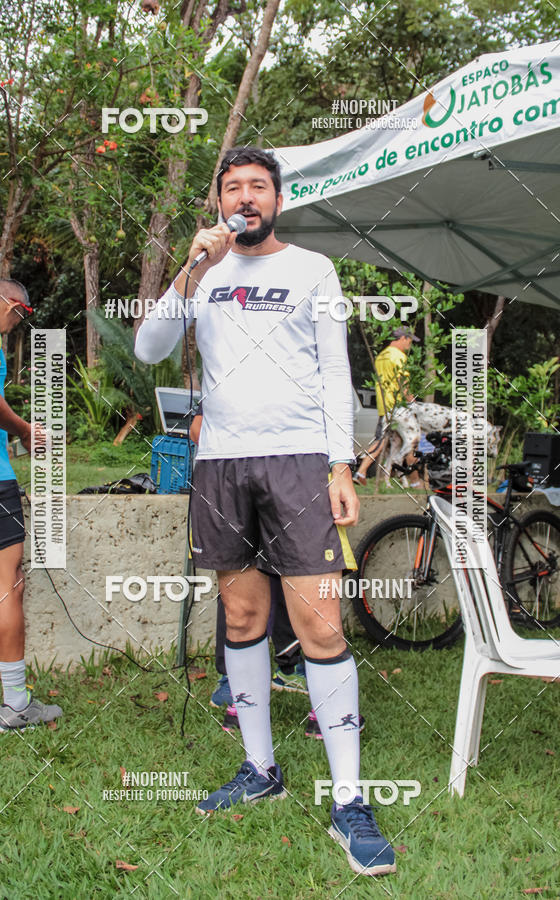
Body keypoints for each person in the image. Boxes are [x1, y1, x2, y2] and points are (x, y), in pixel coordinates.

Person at [136, 147, 395, 876]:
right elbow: (150, 346)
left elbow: (335, 372)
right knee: (243, 620)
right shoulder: (204, 273)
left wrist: (340, 462)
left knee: (318, 622)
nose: (245, 197)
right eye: (232, 188)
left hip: (298, 464)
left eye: (258, 187)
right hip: (220, 463)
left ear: (278, 200)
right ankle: (261, 769)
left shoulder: (311, 269)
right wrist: (192, 267)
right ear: (218, 203)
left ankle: (350, 801)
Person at [0, 280, 63, 731]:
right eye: (19, 319)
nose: (13, 328)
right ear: (14, 305)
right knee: (8, 584)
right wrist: (23, 429)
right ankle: (17, 705)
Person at [190, 408, 323, 737]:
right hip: (233, 480)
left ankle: (295, 670)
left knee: (299, 583)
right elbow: (197, 427)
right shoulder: (229, 372)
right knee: (239, 598)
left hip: (292, 480)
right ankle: (233, 685)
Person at [354, 326, 421, 487]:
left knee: (380, 441)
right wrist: (411, 401)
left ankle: (360, 472)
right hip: (399, 406)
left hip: (385, 406)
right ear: (403, 338)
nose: (410, 345)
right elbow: (402, 382)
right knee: (413, 440)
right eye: (410, 340)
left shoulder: (381, 356)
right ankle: (415, 482)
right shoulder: (399, 356)